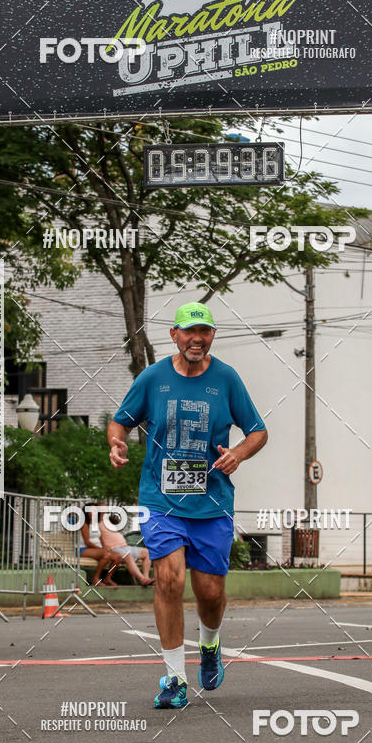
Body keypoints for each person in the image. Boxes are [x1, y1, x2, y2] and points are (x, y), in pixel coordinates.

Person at [107, 302, 267, 708]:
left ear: (212, 336)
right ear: (175, 335)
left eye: (205, 332)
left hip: (212, 502)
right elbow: (120, 419)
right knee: (169, 580)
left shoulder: (227, 379)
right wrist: (116, 441)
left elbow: (258, 431)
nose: (198, 338)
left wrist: (238, 454)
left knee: (210, 592)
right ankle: (174, 679)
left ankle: (210, 647)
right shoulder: (153, 377)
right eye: (190, 331)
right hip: (160, 500)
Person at [97, 503, 154, 587]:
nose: (104, 510)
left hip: (125, 546)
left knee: (147, 552)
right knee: (128, 555)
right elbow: (98, 538)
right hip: (113, 548)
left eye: (105, 508)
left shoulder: (109, 522)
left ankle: (146, 578)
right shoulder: (96, 523)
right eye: (101, 508)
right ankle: (142, 579)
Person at [79, 505, 123, 586]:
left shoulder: (96, 523)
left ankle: (108, 578)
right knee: (106, 555)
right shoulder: (84, 524)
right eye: (92, 510)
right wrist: (101, 549)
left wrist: (104, 547)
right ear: (86, 512)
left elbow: (100, 538)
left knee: (118, 557)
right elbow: (87, 542)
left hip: (97, 549)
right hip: (84, 549)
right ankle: (95, 578)